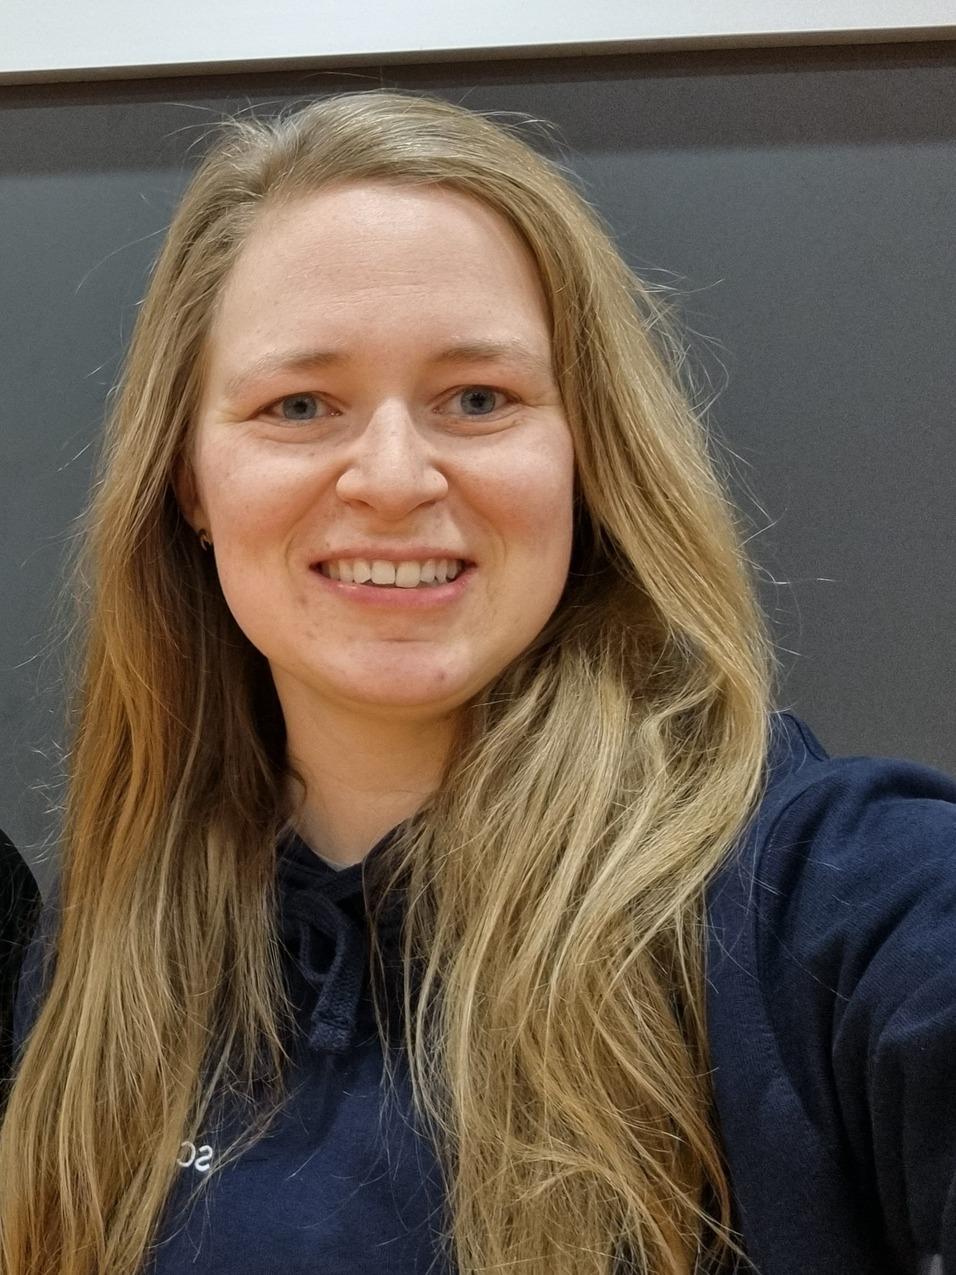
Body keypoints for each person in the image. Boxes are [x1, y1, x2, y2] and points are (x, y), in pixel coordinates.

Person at [1, 89, 954, 1275]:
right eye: (299, 405)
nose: (393, 477)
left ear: (584, 456)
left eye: (478, 400)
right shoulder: (100, 953)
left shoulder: (825, 897)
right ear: (190, 483)